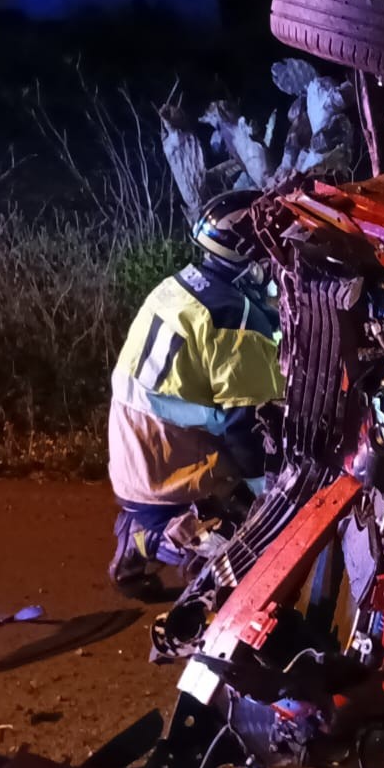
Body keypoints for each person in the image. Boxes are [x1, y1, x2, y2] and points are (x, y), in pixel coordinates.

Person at [106, 191, 284, 598]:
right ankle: (164, 541)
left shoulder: (183, 285)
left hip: (134, 450)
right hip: (167, 471)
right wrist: (265, 494)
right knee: (258, 526)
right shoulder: (236, 319)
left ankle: (147, 529)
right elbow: (247, 425)